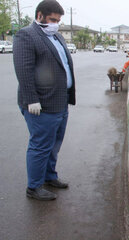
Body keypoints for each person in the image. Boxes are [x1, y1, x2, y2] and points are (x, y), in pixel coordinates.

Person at [13, 0, 76, 201]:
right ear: (40, 15)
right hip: (41, 105)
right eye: (52, 20)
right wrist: (31, 99)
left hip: (60, 102)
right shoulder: (26, 35)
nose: (56, 24)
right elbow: (23, 70)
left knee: (54, 144)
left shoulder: (56, 36)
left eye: (58, 21)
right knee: (40, 146)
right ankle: (34, 187)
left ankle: (49, 176)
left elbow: (63, 64)